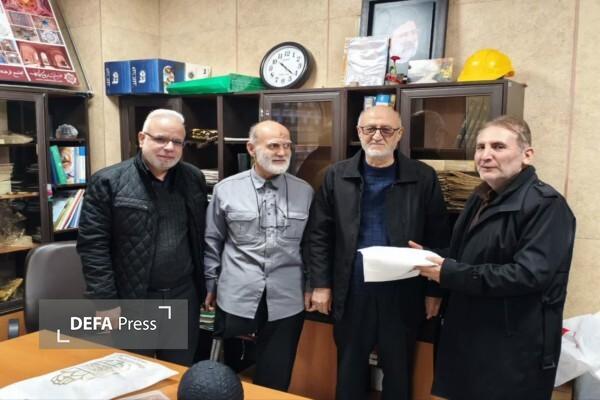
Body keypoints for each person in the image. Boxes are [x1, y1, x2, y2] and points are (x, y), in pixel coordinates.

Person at [415, 116, 576, 400]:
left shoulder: (547, 206)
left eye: (498, 146)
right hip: (467, 337)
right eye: (480, 147)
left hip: (512, 349)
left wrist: (449, 272)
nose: (485, 155)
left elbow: (528, 275)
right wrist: (429, 258)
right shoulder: (480, 197)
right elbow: (466, 256)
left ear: (527, 155)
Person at [306, 105, 450, 400]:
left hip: (404, 292)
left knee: (398, 372)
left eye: (386, 129)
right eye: (369, 129)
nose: (377, 135)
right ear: (359, 132)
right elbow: (319, 235)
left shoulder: (423, 177)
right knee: (349, 370)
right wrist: (320, 284)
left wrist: (434, 291)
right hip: (351, 291)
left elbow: (439, 235)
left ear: (399, 134)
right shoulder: (336, 176)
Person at [77, 109, 207, 366]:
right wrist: (105, 302)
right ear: (141, 138)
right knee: (135, 372)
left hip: (183, 297)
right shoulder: (108, 181)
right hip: (133, 299)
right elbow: (93, 246)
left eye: (177, 142)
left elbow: (199, 236)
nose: (169, 147)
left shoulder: (193, 178)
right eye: (160, 139)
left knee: (179, 370)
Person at [204, 120, 313, 391]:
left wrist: (312, 286)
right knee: (223, 373)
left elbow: (312, 245)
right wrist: (210, 284)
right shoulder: (226, 189)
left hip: (287, 297)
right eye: (273, 145)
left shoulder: (305, 191)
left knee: (276, 375)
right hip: (236, 293)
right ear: (251, 149)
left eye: (287, 146)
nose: (282, 152)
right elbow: (213, 239)